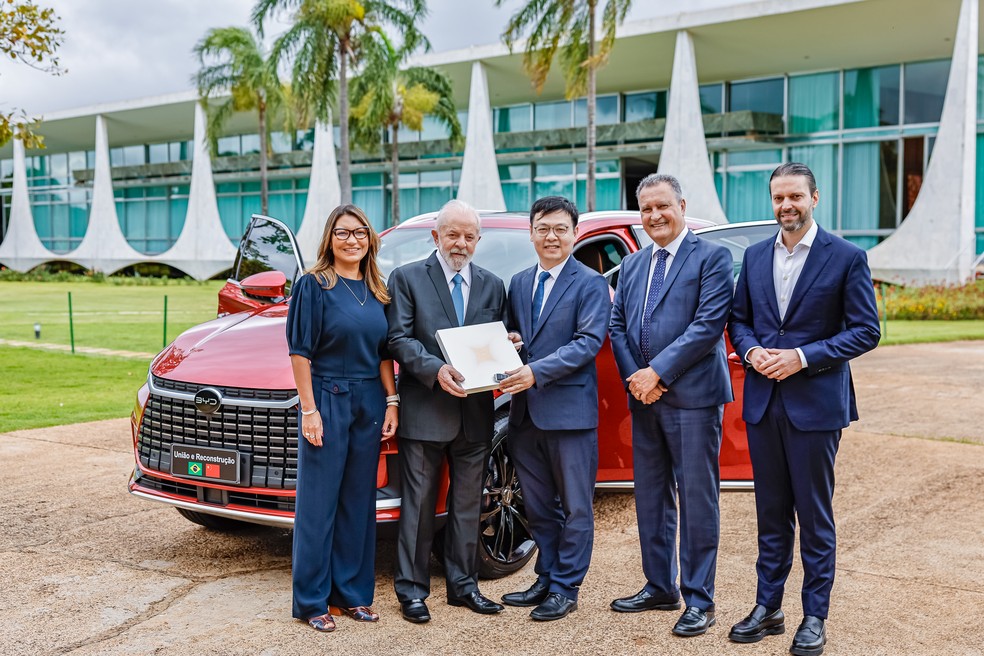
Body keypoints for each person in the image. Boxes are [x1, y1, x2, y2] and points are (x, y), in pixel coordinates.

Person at [728, 163, 880, 656]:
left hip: (816, 405)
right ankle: (768, 607)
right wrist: (751, 353)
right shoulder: (753, 257)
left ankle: (815, 615)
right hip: (763, 402)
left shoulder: (847, 257)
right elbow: (739, 320)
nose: (785, 206)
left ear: (815, 197)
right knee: (770, 513)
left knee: (814, 515)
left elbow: (865, 330)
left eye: (795, 196)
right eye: (778, 198)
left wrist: (802, 357)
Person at [608, 173, 734, 637]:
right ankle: (660, 586)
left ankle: (700, 599)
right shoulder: (635, 264)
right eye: (647, 209)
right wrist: (637, 380)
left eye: (663, 206)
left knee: (698, 500)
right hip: (644, 398)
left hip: (694, 399)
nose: (655, 216)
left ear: (681, 205)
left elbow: (707, 326)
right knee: (652, 497)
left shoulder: (713, 257)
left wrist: (656, 373)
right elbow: (616, 324)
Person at [386, 199, 507, 623]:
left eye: (468, 236)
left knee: (468, 504)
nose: (460, 243)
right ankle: (412, 591)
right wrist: (435, 370)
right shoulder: (407, 278)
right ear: (435, 236)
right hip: (425, 410)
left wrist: (508, 347)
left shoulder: (494, 285)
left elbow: (496, 342)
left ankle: (463, 585)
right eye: (452, 234)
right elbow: (398, 340)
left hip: (475, 415)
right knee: (418, 507)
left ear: (478, 240)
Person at [286, 204, 399, 632]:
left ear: (370, 239)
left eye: (359, 233)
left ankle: (351, 595)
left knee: (357, 502)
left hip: (369, 402)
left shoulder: (378, 291)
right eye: (342, 233)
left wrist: (392, 402)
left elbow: (384, 353)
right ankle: (312, 601)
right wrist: (309, 410)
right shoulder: (313, 285)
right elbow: (300, 352)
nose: (352, 240)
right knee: (318, 505)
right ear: (329, 240)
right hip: (327, 399)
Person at [498, 195, 611, 621]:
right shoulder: (520, 281)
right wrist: (510, 341)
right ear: (531, 233)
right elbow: (515, 334)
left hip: (569, 412)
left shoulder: (590, 283)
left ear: (575, 234)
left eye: (560, 228)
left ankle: (567, 587)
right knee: (539, 504)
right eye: (543, 228)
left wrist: (535, 372)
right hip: (525, 413)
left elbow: (587, 343)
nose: (551, 236)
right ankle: (546, 575)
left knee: (577, 506)